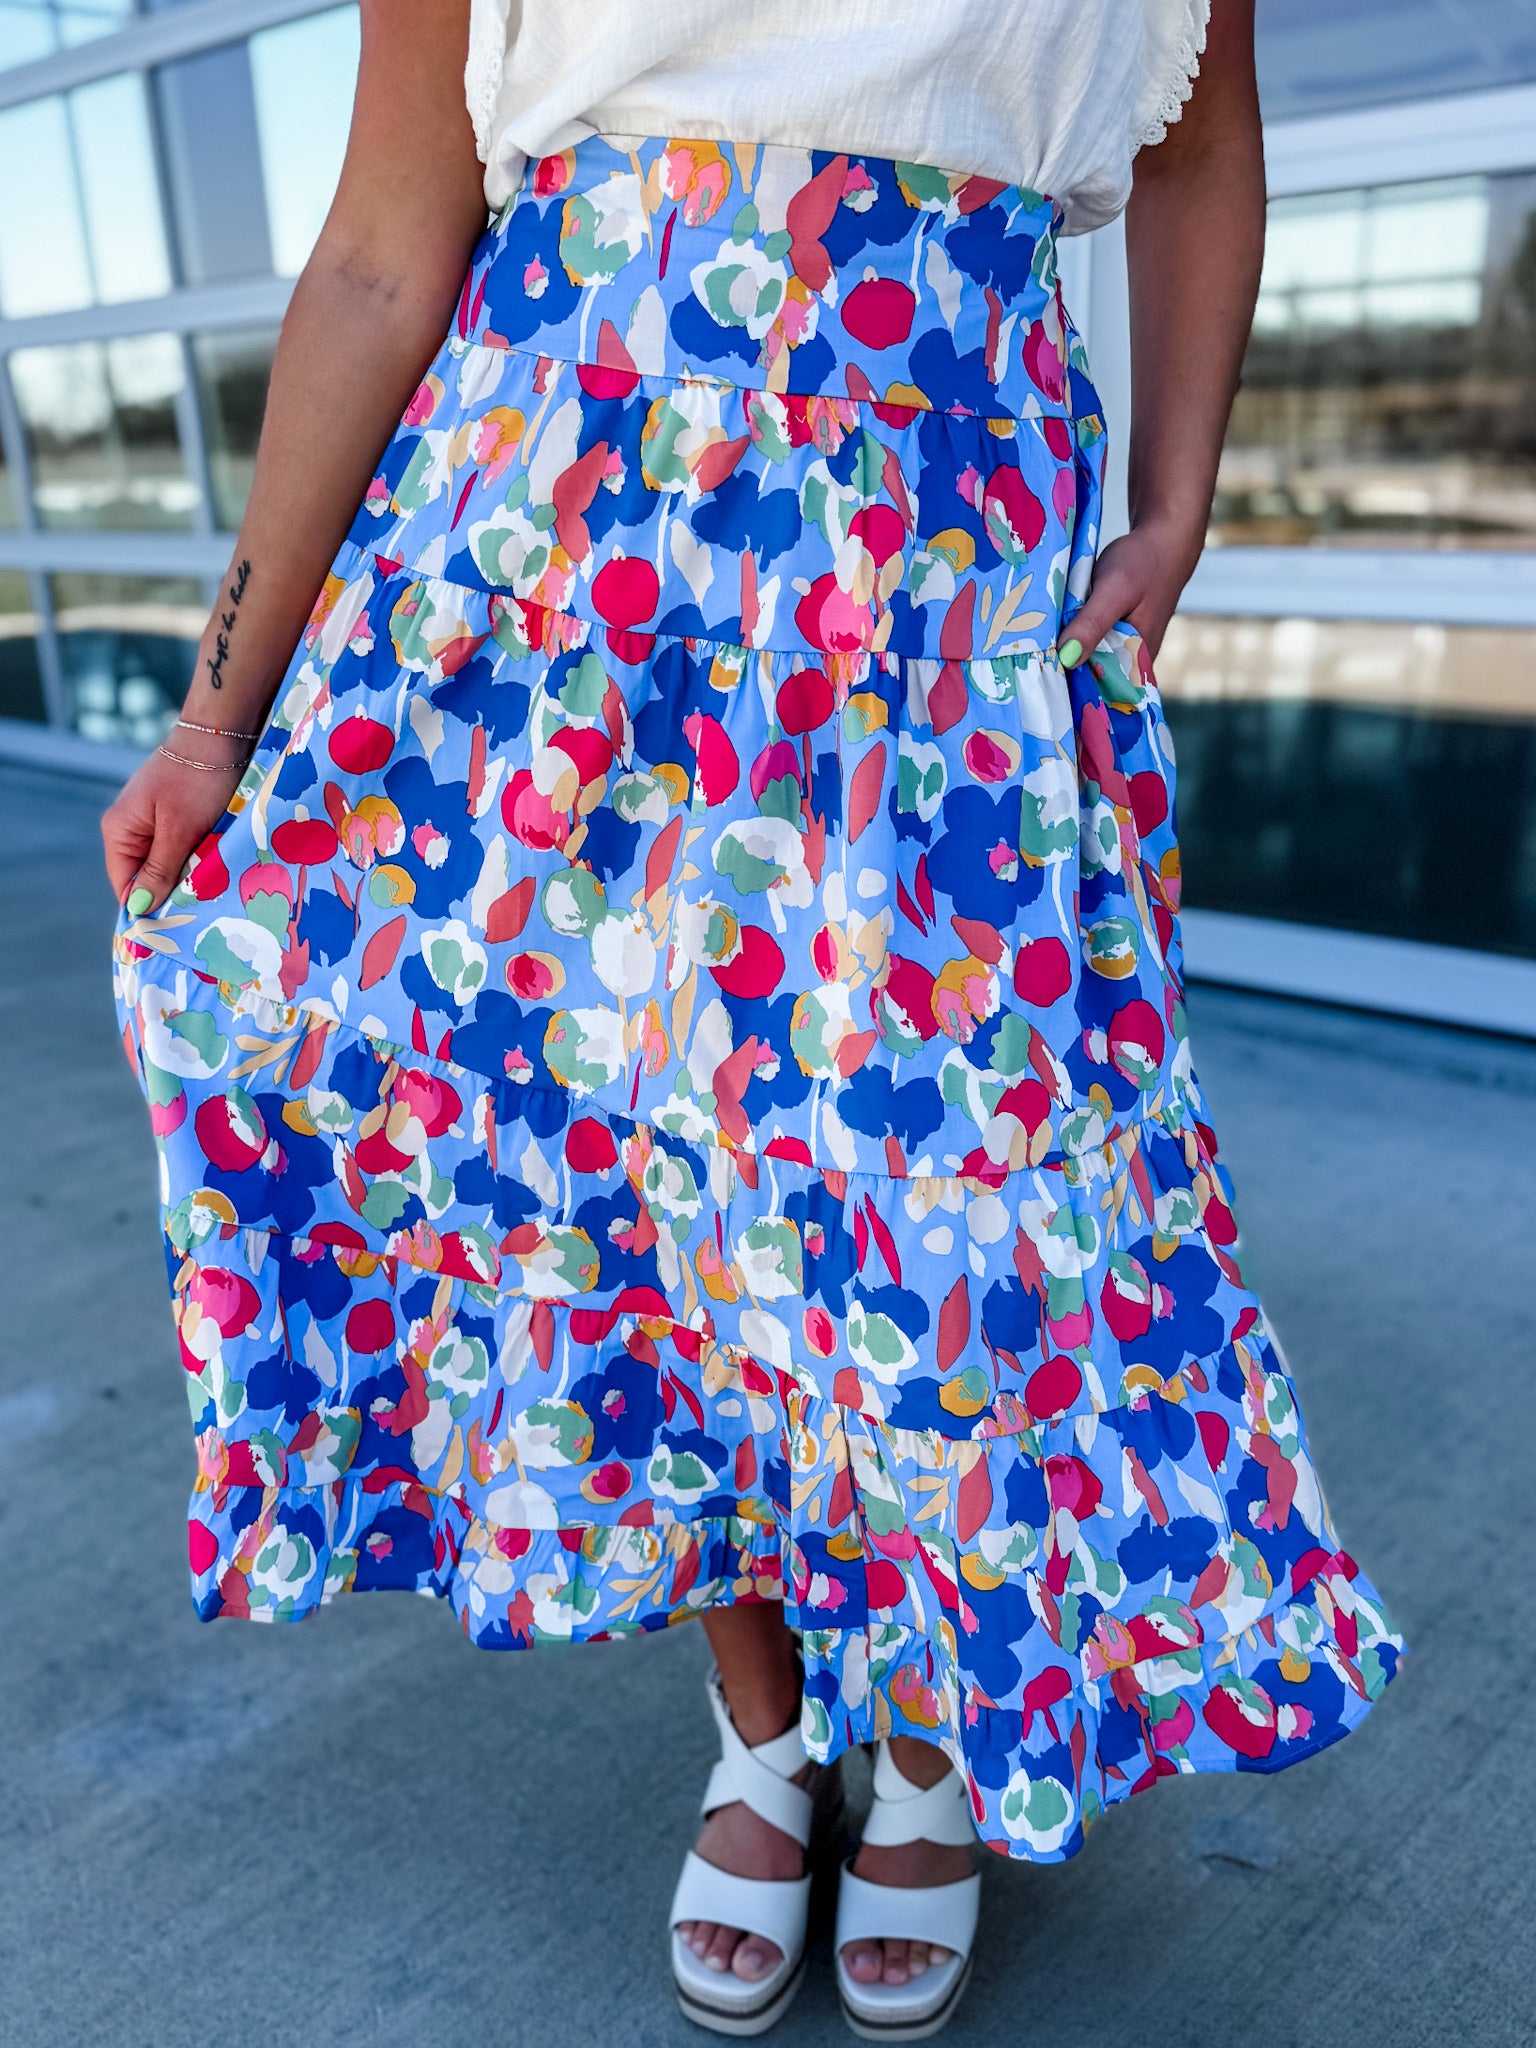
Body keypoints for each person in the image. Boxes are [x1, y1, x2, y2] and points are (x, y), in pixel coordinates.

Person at [104, 3, 1405, 2037]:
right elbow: (379, 248)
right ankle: (769, 1728)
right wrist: (215, 715)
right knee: (641, 1185)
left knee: (957, 1212)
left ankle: (931, 1741)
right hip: (559, 562)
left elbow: (1200, 142)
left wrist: (1179, 500)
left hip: (944, 551)